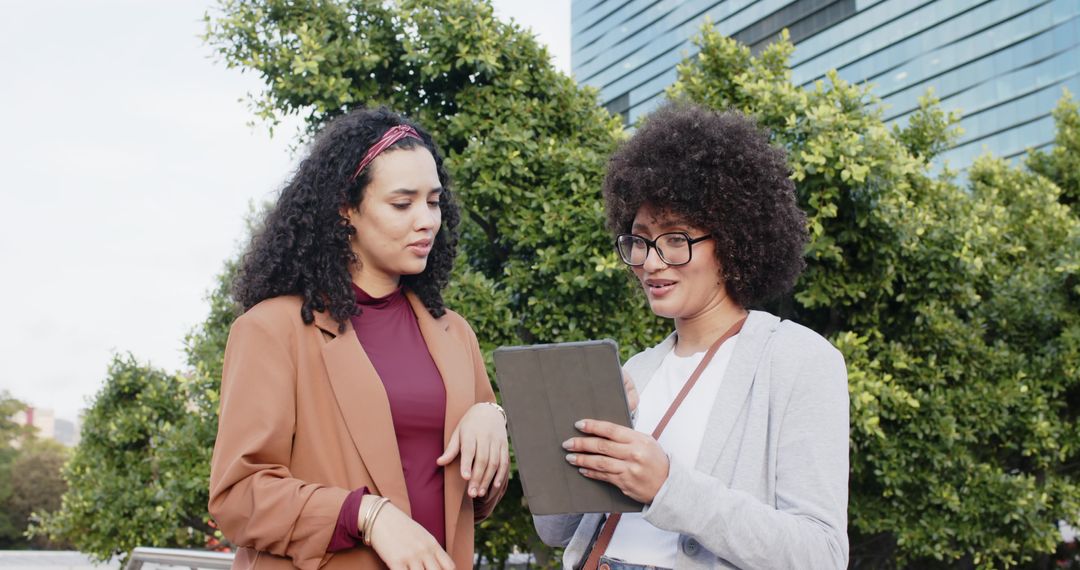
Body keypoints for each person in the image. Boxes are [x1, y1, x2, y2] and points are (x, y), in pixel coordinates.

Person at [533, 104, 850, 570]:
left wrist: (667, 486)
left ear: (733, 241)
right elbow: (555, 532)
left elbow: (821, 554)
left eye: (676, 239)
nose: (651, 262)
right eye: (639, 240)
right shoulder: (636, 370)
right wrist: (563, 436)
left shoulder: (798, 360)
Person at [209, 108, 509, 570]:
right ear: (346, 210)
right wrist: (367, 515)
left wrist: (493, 420)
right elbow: (239, 496)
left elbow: (478, 501)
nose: (427, 220)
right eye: (402, 203)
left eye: (434, 201)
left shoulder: (455, 334)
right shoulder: (272, 330)